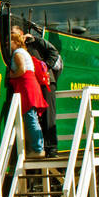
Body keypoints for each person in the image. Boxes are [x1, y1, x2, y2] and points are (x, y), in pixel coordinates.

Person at [8, 26, 47, 157]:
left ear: (15, 42)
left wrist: (11, 76)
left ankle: (37, 149)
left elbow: (22, 70)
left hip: (26, 86)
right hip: (29, 85)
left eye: (9, 42)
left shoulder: (18, 53)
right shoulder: (23, 52)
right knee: (32, 118)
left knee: (30, 118)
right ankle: (38, 147)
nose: (8, 44)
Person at [23, 28, 63, 156]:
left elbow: (53, 52)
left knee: (48, 115)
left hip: (46, 82)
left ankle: (51, 148)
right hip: (33, 83)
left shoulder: (34, 42)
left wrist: (45, 67)